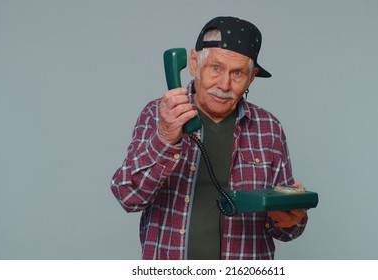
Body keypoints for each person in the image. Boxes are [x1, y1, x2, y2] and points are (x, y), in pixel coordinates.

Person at [111, 16, 308, 260]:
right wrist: (165, 138)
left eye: (237, 73)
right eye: (216, 68)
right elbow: (128, 197)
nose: (224, 84)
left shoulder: (268, 128)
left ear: (252, 77)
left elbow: (289, 230)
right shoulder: (156, 115)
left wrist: (289, 219)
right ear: (194, 63)